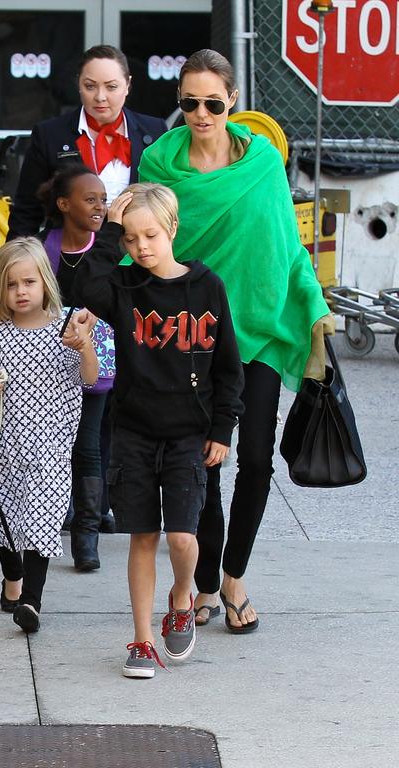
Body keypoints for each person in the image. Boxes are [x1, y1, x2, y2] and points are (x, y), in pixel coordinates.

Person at [138, 49, 333, 634]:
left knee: (254, 461)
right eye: (190, 102)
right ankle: (201, 583)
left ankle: (234, 577)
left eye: (213, 103)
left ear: (233, 104)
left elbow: (286, 247)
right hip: (192, 336)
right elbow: (142, 246)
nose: (201, 114)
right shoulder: (158, 164)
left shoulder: (264, 164)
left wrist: (315, 308)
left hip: (262, 330)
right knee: (206, 466)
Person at [76, 183, 244, 678]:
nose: (140, 247)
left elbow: (228, 366)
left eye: (149, 235)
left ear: (172, 229)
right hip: (134, 430)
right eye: (130, 239)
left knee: (181, 538)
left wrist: (223, 429)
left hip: (190, 433)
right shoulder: (126, 286)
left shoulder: (206, 286)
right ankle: (142, 641)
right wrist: (108, 230)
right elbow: (86, 285)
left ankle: (180, 595)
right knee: (143, 536)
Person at [0, 237, 98, 633]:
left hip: (51, 447)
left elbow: (90, 378)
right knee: (7, 523)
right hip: (5, 445)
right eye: (11, 285)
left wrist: (84, 347)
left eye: (28, 282)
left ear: (44, 281)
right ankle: (12, 583)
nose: (20, 291)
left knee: (42, 523)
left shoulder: (67, 327)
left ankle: (32, 600)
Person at [35, 163, 118, 572]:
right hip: (46, 364)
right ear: (64, 204)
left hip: (94, 362)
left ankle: (87, 536)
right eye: (91, 199)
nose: (101, 207)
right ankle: (52, 517)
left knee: (88, 443)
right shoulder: (41, 248)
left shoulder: (107, 249)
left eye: (104, 199)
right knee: (52, 446)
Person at [9, 45, 167, 239]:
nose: (100, 97)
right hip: (71, 256)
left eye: (111, 87)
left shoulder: (155, 131)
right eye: (90, 86)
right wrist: (16, 263)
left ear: (128, 85)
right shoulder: (50, 134)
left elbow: (165, 205)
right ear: (78, 84)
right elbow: (26, 211)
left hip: (135, 254)